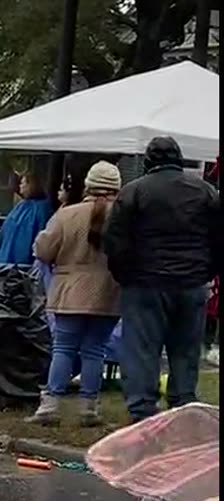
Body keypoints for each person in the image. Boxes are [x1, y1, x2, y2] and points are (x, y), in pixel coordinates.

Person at [103, 136, 221, 422]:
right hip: (192, 282)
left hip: (145, 283)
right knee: (186, 349)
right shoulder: (205, 192)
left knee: (143, 349)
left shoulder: (134, 192)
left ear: (148, 161)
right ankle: (183, 407)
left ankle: (142, 413)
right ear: (179, 158)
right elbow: (218, 239)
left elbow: (115, 239)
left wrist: (126, 275)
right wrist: (206, 271)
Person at [26, 161, 123, 426]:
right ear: (117, 187)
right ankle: (88, 408)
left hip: (69, 291)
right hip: (110, 292)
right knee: (95, 350)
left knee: (64, 348)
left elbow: (44, 250)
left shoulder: (67, 214)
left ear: (88, 185)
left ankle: (49, 406)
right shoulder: (124, 217)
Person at [0, 171, 54, 266]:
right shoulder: (21, 205)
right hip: (5, 258)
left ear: (30, 185)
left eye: (22, 183)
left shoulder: (41, 208)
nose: (20, 186)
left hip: (24, 262)